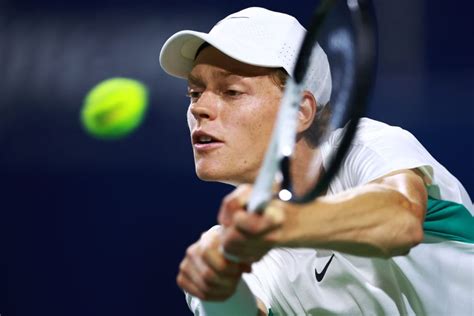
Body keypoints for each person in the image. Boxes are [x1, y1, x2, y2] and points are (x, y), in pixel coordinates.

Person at [159, 7, 474, 316]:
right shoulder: (228, 246)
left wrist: (284, 223)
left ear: (300, 111)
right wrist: (217, 284)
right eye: (194, 93)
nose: (200, 109)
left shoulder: (363, 146)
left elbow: (400, 220)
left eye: (231, 91)